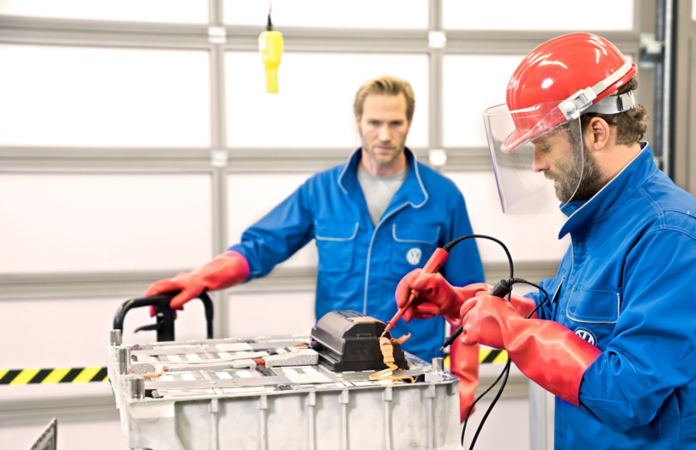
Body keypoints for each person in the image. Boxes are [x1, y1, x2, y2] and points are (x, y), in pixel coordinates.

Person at [396, 33, 696, 448]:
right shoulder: (601, 219)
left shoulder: (669, 235)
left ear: (596, 132)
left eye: (544, 145)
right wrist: (463, 303)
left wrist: (511, 332)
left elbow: (628, 393)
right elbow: (566, 322)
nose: (538, 164)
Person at [145, 76, 484, 422]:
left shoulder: (443, 197)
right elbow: (262, 245)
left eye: (395, 123)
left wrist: (466, 382)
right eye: (375, 123)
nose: (384, 135)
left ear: (409, 123)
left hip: (413, 376)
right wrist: (202, 279)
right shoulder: (322, 191)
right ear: (358, 122)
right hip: (335, 375)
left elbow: (468, 298)